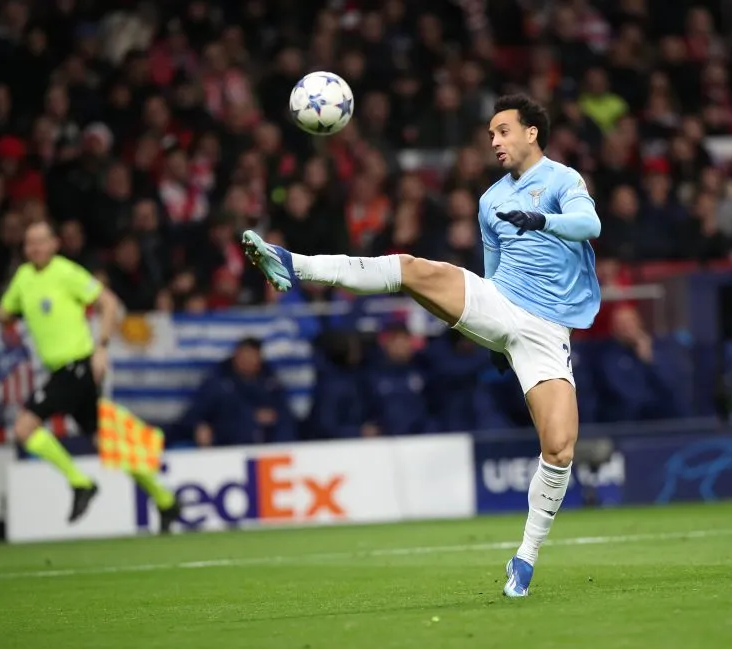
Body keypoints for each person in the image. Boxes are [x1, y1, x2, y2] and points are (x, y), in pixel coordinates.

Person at [241, 94, 601, 598]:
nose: (494, 141)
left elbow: (591, 226)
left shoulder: (563, 180)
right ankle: (292, 261)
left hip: (547, 331)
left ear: (531, 132)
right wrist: (491, 335)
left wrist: (543, 220)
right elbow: (491, 268)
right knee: (411, 269)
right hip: (498, 301)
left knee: (560, 448)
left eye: (502, 131)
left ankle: (525, 558)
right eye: (491, 134)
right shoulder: (491, 200)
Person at [0, 221, 180, 530]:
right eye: (29, 243)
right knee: (106, 439)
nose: (34, 248)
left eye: (40, 241)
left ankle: (80, 482)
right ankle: (165, 500)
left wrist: (101, 347)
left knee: (25, 427)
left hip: (77, 366)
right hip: (62, 370)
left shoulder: (67, 272)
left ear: (54, 244)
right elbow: (8, 313)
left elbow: (109, 303)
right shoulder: (24, 277)